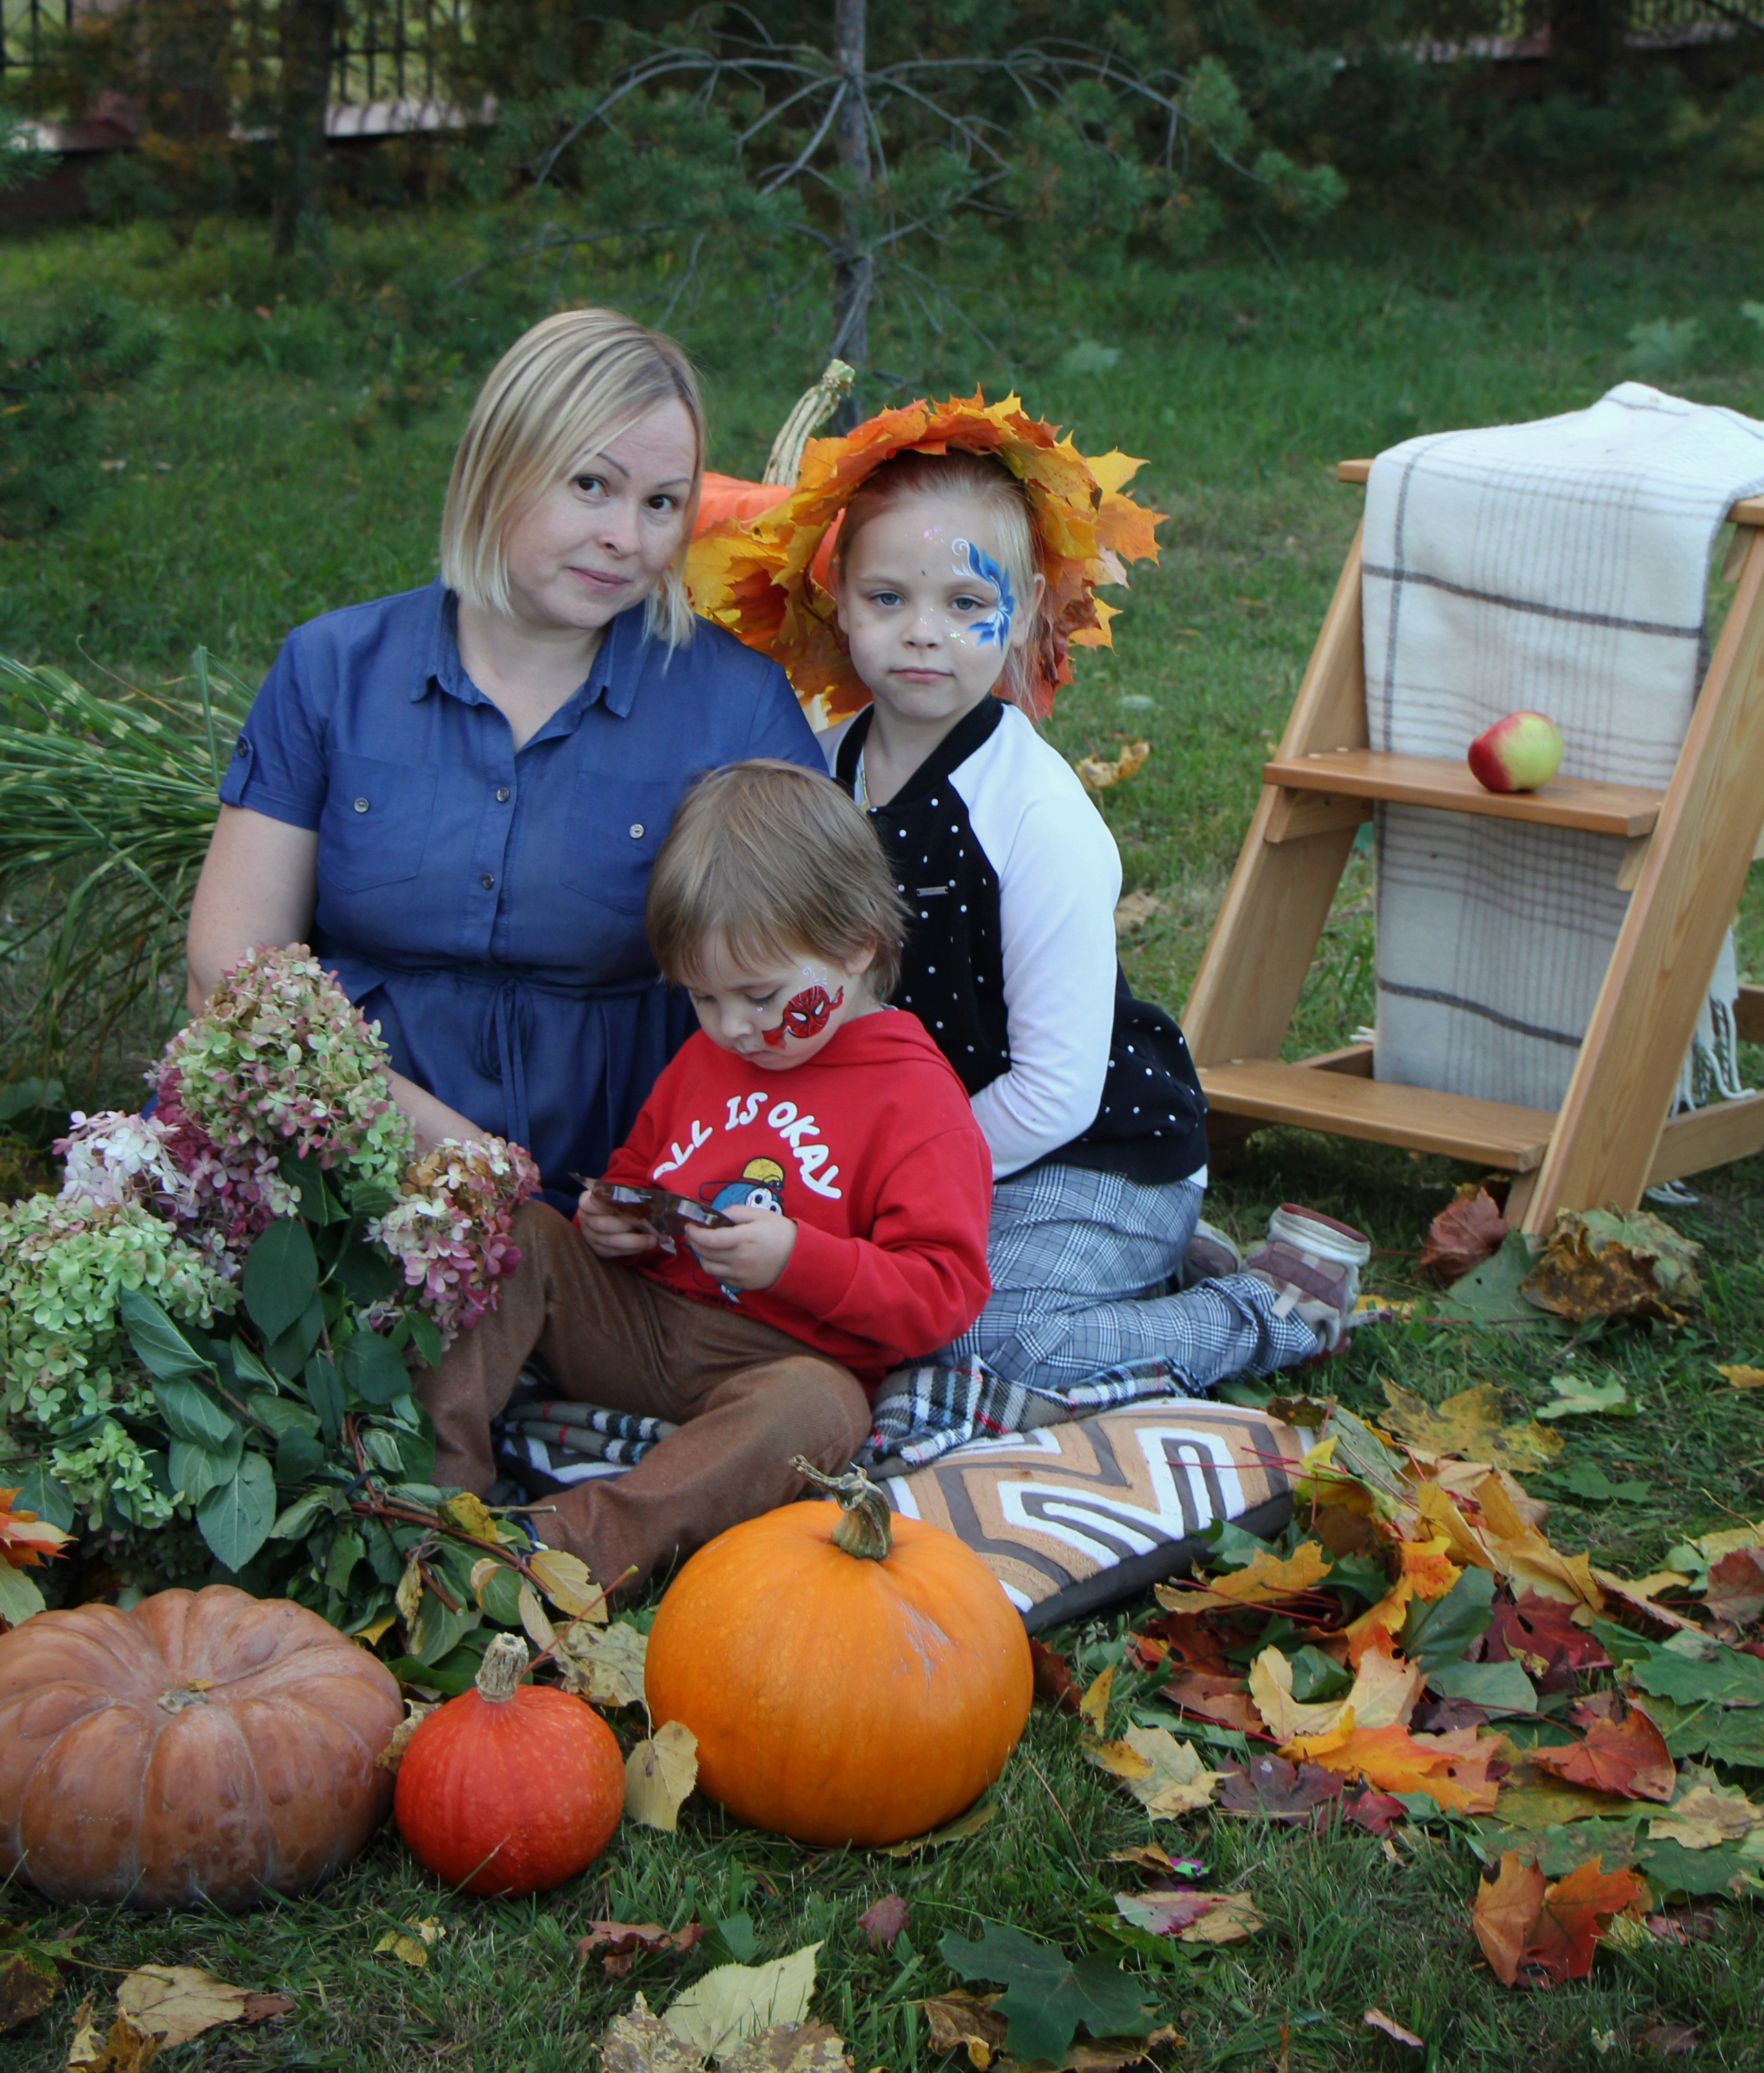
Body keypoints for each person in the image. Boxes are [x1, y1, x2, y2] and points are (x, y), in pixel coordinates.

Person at [690, 398, 1370, 1459]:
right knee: (824, 1316)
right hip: (928, 1147)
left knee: (977, 1337)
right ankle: (1148, 1263)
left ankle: (1268, 1309)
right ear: (839, 601)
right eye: (888, 596)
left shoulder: (1036, 813)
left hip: (1086, 1145)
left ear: (1023, 615)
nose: (923, 629)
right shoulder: (823, 763)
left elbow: (1058, 1089)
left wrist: (898, 1187)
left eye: (968, 601)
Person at [185, 309, 825, 1213]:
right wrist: (454, 1154)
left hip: (608, 1197)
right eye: (591, 485)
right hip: (336, 1164)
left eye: (661, 503)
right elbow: (228, 965)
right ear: (500, 468)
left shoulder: (734, 706)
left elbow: (819, 975)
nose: (628, 539)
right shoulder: (334, 670)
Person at [413, 760, 994, 1590]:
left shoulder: (916, 1099)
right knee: (520, 1229)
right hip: (642, 1323)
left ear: (859, 947)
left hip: (778, 1360)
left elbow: (941, 1293)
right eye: (701, 999)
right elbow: (643, 1169)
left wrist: (797, 1259)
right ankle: (431, 1497)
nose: (734, 1028)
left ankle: (563, 1555)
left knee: (821, 1412)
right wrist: (612, 1225)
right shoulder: (709, 1056)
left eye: (759, 996)